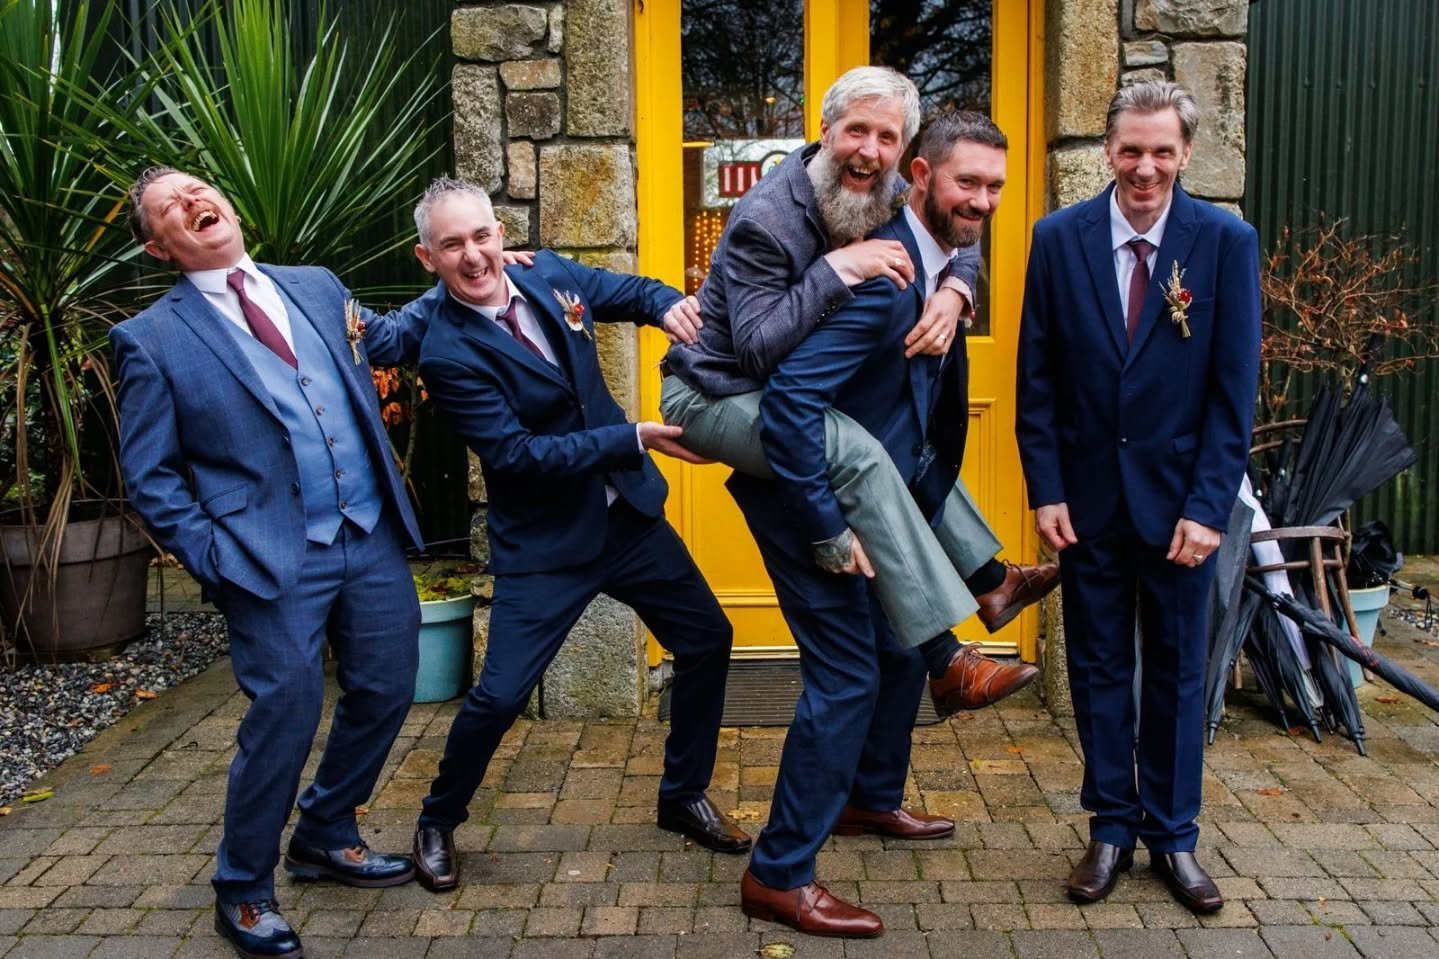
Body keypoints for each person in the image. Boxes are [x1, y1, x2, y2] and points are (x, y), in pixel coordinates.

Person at [112, 168, 440, 959]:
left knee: (389, 687)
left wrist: (474, 266)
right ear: (160, 248)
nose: (193, 201)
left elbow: (387, 340)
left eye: (196, 188)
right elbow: (151, 477)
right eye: (170, 207)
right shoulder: (151, 338)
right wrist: (215, 556)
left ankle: (324, 829)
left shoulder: (316, 285)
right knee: (284, 716)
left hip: (367, 532)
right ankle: (243, 888)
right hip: (265, 558)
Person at [660, 66, 1053, 714]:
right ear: (824, 130)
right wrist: (835, 270)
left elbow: (955, 226)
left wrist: (956, 290)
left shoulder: (892, 186)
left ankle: (991, 581)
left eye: (886, 137)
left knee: (900, 447)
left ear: (905, 151)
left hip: (772, 385)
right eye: (856, 131)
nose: (869, 150)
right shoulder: (767, 219)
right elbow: (755, 351)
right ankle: (946, 659)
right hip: (710, 392)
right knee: (858, 452)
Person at [404, 178, 747, 893]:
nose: (473, 256)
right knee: (499, 698)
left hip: (627, 519)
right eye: (452, 245)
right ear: (427, 257)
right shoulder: (446, 353)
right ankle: (438, 819)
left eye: (481, 236)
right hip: (546, 544)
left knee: (708, 639)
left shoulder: (548, 273)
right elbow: (516, 455)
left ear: (500, 233)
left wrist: (668, 306)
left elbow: (629, 291)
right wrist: (633, 436)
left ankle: (682, 794)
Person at [727, 110, 1011, 938]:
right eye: (967, 182)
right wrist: (826, 528)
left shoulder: (921, 241)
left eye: (994, 186)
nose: (981, 200)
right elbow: (783, 399)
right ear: (920, 178)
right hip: (800, 492)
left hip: (861, 481)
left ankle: (867, 797)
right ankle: (777, 874)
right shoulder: (859, 264)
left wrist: (957, 289)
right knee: (847, 674)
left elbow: (960, 244)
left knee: (891, 647)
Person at [1016, 80, 1261, 913]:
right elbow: (1037, 376)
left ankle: (1174, 835)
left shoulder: (1223, 242)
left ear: (1184, 154)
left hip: (1180, 509)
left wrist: (1208, 506)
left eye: (1161, 151)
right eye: (1130, 149)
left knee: (1178, 672)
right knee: (1096, 669)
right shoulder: (1058, 239)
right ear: (1107, 151)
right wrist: (1046, 488)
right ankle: (1110, 827)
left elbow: (1232, 392)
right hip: (1085, 505)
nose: (1145, 167)